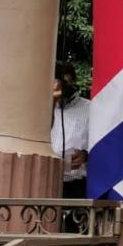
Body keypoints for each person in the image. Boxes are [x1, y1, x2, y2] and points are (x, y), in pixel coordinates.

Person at [51, 62, 90, 199]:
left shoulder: (91, 109)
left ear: (73, 82)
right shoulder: (45, 107)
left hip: (75, 186)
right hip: (45, 183)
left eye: (66, 83)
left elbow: (104, 147)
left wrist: (86, 155)